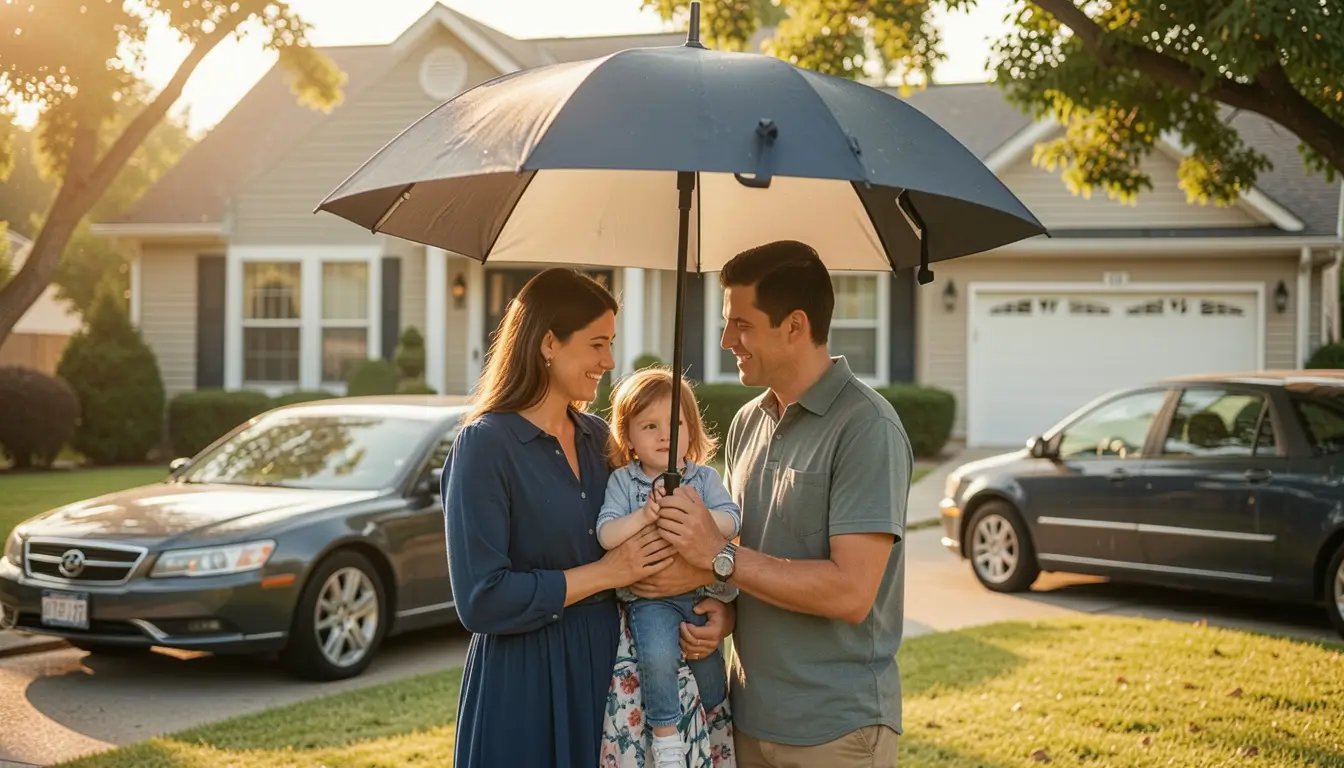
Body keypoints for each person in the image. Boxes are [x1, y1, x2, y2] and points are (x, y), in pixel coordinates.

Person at [648, 240, 912, 767]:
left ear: (794, 325)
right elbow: (757, 557)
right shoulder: (750, 421)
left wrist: (719, 555)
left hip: (835, 731)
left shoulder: (867, 428)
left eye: (741, 324)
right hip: (747, 718)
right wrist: (724, 611)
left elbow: (850, 593)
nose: (726, 340)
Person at [443, 267, 677, 767]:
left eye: (610, 343)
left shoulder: (601, 440)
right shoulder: (485, 445)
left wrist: (709, 604)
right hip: (522, 683)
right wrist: (605, 574)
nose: (609, 361)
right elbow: (481, 599)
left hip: (611, 677)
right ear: (549, 342)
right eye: (597, 344)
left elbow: (653, 544)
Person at [596, 366, 741, 767]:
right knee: (657, 656)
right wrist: (644, 516)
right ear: (627, 437)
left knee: (709, 672)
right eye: (650, 426)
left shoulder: (702, 478)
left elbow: (733, 516)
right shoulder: (624, 482)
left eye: (675, 424)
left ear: (691, 431)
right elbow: (606, 534)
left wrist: (704, 523)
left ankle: (715, 729)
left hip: (698, 595)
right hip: (650, 600)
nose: (665, 435)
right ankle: (667, 741)